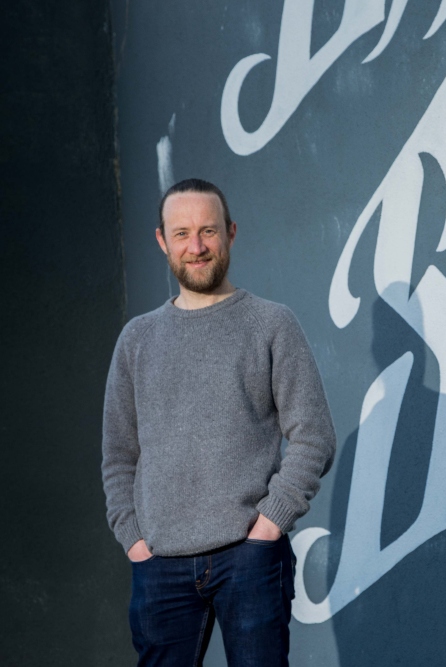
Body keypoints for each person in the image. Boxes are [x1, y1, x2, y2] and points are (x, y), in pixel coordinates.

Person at [101, 178, 336, 666]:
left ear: (230, 233)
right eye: (182, 233)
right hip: (159, 564)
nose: (197, 246)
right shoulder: (137, 339)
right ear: (163, 241)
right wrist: (134, 541)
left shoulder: (272, 324)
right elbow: (119, 455)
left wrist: (269, 526)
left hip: (249, 557)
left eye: (208, 231)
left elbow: (314, 436)